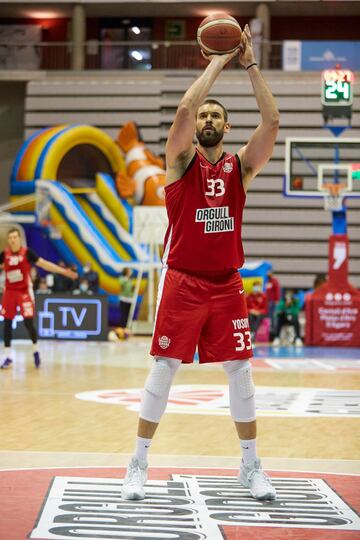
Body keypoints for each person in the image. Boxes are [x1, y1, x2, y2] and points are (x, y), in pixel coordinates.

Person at [122, 24, 279, 502]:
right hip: (184, 281)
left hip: (227, 283)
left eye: (217, 116)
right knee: (164, 366)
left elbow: (271, 124)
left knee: (242, 371)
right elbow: (186, 109)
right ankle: (138, 462)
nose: (207, 118)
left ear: (226, 128)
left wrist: (250, 63)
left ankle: (251, 466)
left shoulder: (240, 169)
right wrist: (219, 59)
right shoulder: (179, 162)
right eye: (205, 114)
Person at [0, 228, 77, 368]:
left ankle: (35, 350)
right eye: (10, 237)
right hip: (10, 291)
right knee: (7, 323)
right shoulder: (4, 254)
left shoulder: (27, 253)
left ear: (19, 239)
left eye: (15, 237)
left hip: (24, 291)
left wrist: (64, 271)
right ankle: (8, 356)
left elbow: (45, 264)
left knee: (28, 323)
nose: (12, 240)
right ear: (8, 240)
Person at [265, 269, 281, 336]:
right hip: (269, 302)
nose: (267, 274)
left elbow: (277, 291)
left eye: (269, 273)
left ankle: (275, 333)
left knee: (274, 317)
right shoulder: (268, 281)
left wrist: (277, 300)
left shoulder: (275, 281)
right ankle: (271, 332)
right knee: (270, 317)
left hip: (273, 302)